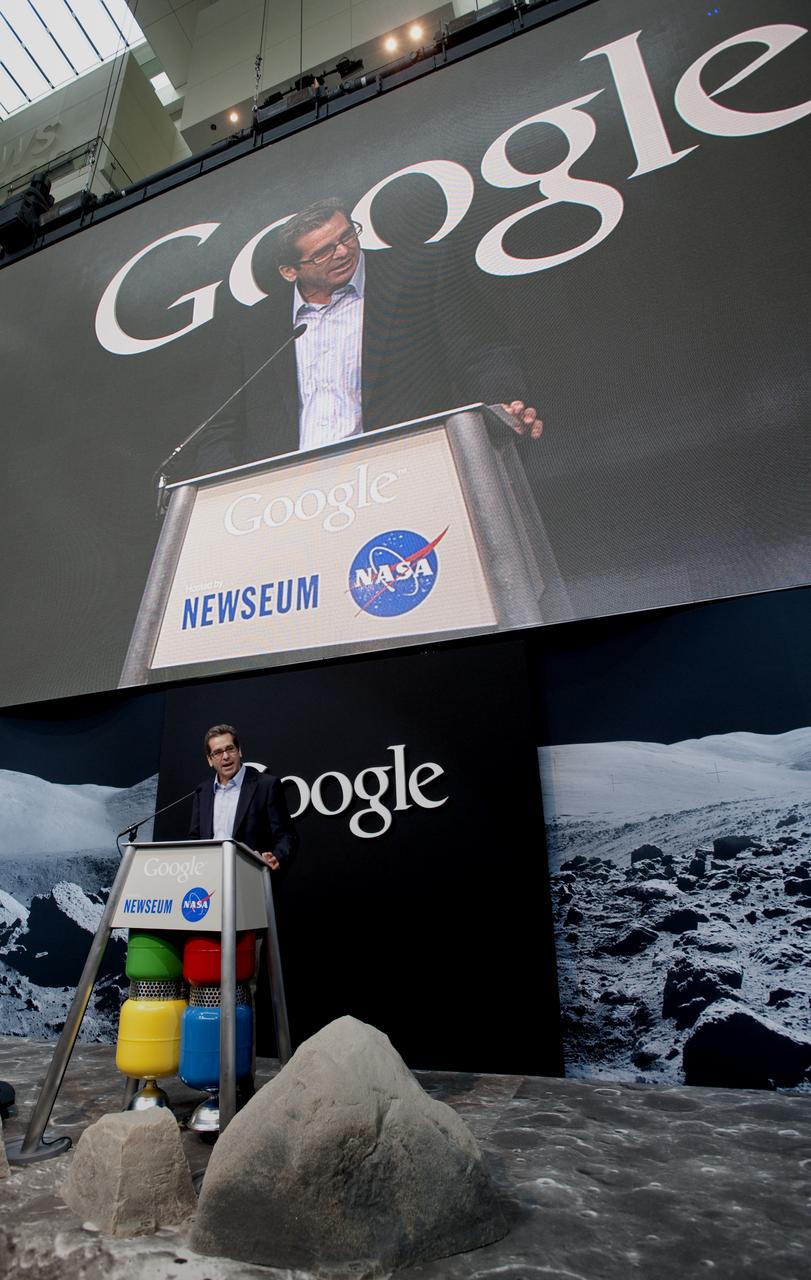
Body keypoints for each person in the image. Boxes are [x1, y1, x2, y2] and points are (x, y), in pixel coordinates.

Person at [198, 197, 544, 469]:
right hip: (292, 501)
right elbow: (219, 428)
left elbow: (483, 352)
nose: (344, 251)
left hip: (405, 471)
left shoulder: (419, 270)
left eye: (346, 235)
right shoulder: (253, 327)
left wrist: (502, 402)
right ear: (290, 271)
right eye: (323, 252)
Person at [188, 723, 297, 869]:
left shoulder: (266, 785)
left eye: (230, 749)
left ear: (239, 751)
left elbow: (286, 835)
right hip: (210, 877)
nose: (225, 756)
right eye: (218, 752)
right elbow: (195, 838)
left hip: (251, 875)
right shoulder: (203, 791)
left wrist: (276, 856)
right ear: (210, 759)